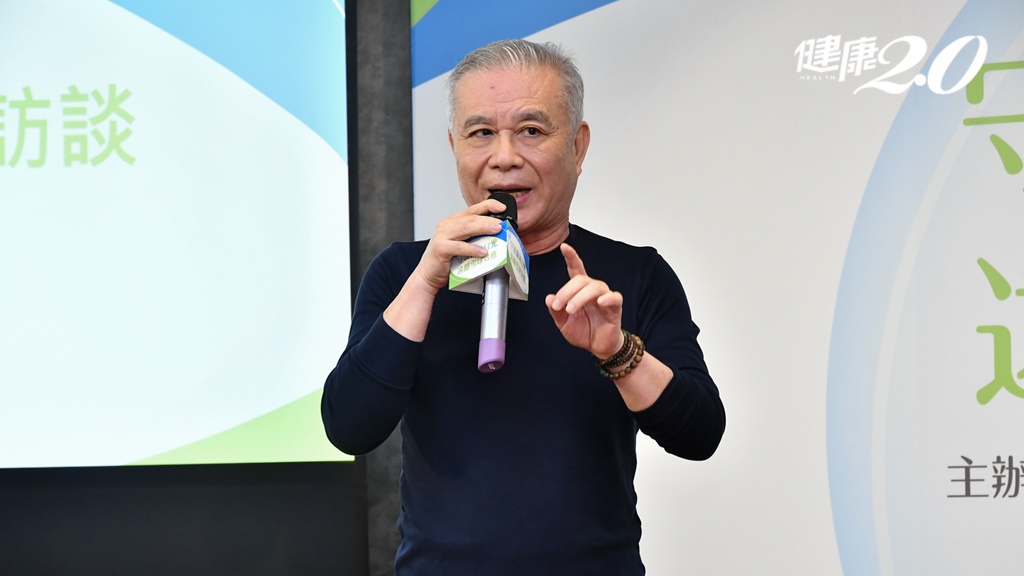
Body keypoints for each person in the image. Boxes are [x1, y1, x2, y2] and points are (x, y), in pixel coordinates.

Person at [322, 39, 725, 575]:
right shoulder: (404, 272)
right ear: (454, 146)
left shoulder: (633, 275)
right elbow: (349, 427)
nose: (505, 156)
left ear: (578, 147)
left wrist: (617, 352)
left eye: (531, 131)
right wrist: (425, 283)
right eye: (481, 133)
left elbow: (700, 435)